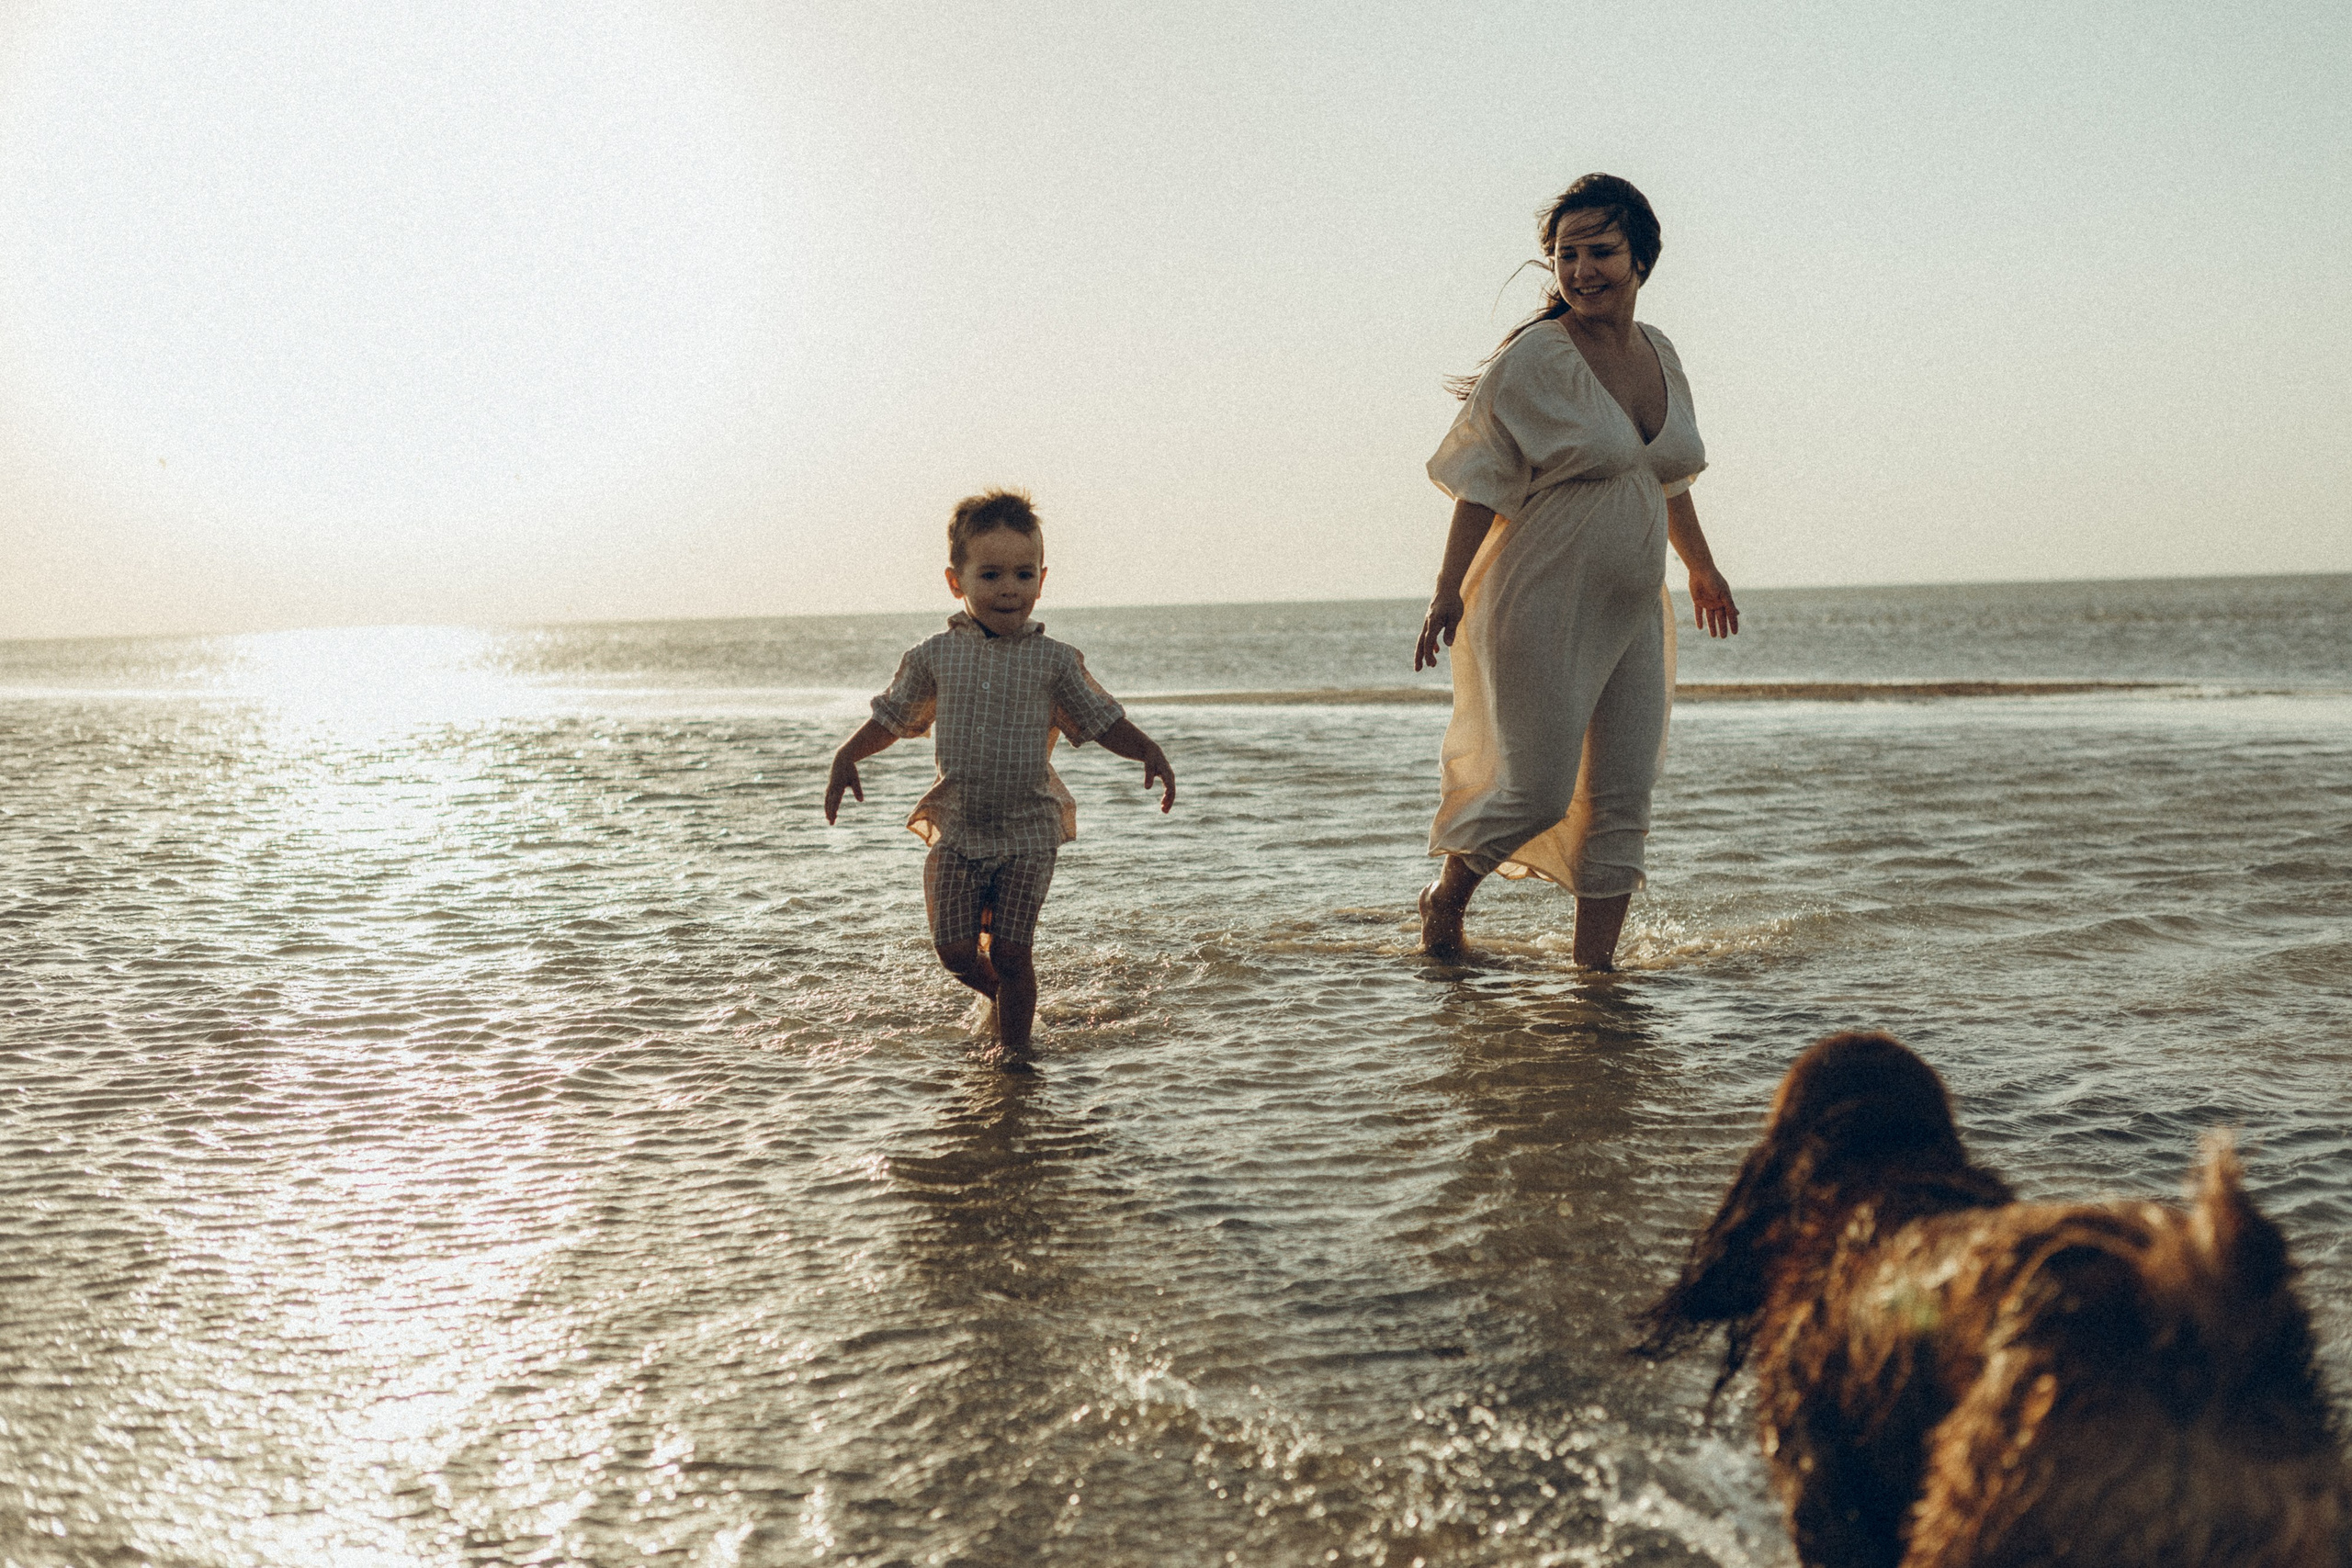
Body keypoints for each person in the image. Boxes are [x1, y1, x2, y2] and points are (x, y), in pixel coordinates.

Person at [1412, 174, 1738, 967]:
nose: (1583, 269)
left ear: (1641, 258)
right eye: (1567, 254)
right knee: (1538, 791)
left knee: (1624, 797)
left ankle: (1596, 975)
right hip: (1538, 600)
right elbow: (1480, 478)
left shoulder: (1660, 352)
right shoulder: (1537, 359)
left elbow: (1665, 477)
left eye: (1601, 251)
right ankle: (1446, 898)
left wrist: (1702, 568)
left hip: (1632, 608)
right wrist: (1447, 588)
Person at [825, 490, 1175, 1066]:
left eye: (1023, 573)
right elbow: (892, 716)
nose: (1008, 588)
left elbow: (1101, 719)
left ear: (1042, 579)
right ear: (955, 581)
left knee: (1013, 950)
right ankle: (1009, 999)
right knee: (956, 951)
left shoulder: (1055, 661)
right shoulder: (935, 656)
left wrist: (1148, 752)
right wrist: (848, 755)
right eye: (990, 574)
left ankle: (1015, 1055)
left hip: (1028, 832)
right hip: (958, 827)